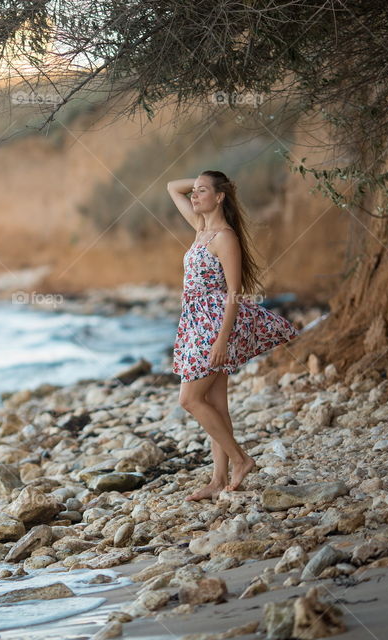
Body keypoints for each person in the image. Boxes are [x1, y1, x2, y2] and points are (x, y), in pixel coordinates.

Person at [167, 171, 301, 501]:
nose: (194, 196)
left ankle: (241, 459)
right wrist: (205, 182)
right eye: (194, 192)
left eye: (202, 192)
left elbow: (234, 292)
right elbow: (172, 187)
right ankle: (217, 480)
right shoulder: (201, 229)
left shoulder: (225, 237)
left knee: (190, 400)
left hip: (215, 325)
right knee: (216, 404)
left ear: (220, 197)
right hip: (197, 323)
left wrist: (222, 340)